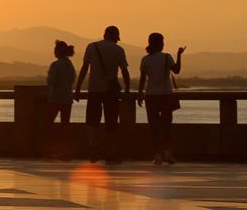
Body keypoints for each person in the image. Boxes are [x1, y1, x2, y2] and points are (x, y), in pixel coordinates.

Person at [74, 26, 130, 164]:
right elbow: (124, 71)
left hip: (94, 90)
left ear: (104, 35)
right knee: (111, 123)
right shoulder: (118, 50)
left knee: (92, 121)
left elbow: (84, 68)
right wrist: (127, 89)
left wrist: (78, 88)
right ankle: (110, 154)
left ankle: (94, 145)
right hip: (111, 92)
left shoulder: (92, 47)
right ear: (116, 37)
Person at [138, 33, 185, 165]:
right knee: (167, 126)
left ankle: (157, 154)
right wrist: (179, 55)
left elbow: (142, 79)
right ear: (161, 44)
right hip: (165, 96)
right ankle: (168, 154)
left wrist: (139, 94)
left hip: (150, 96)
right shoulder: (166, 57)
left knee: (154, 126)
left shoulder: (145, 59)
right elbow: (177, 70)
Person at [45, 40, 76, 160]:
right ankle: (66, 152)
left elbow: (50, 81)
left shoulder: (56, 65)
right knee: (65, 126)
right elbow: (72, 79)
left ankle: (49, 151)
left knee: (48, 124)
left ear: (58, 51)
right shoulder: (70, 65)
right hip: (67, 98)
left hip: (55, 98)